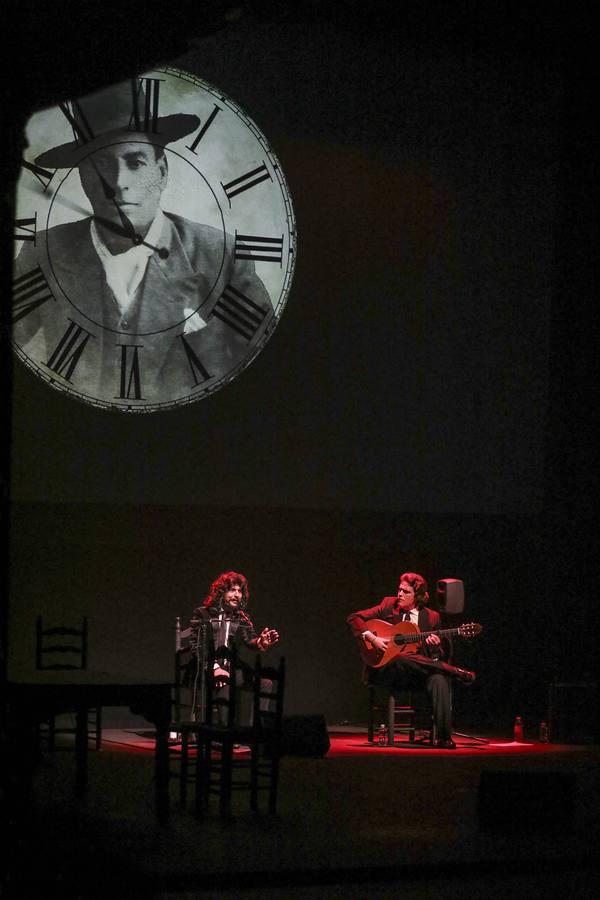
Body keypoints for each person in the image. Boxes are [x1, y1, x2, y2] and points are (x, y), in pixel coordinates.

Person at [12, 78, 272, 403]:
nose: (119, 183)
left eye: (135, 163)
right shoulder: (44, 253)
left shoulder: (220, 255)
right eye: (102, 164)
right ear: (83, 176)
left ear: (162, 173)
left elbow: (269, 373)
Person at [347, 572, 475, 749]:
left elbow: (435, 657)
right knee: (399, 656)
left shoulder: (432, 617)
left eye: (405, 592)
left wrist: (435, 647)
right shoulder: (388, 605)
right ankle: (455, 671)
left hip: (416, 673)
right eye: (399, 589)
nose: (399, 594)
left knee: (439, 678)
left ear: (418, 596)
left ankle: (444, 737)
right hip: (388, 670)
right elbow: (354, 618)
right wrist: (372, 638)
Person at [188, 571, 280, 726]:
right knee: (224, 680)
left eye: (240, 591)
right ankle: (226, 734)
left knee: (266, 684)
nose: (237, 595)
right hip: (204, 668)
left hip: (231, 670)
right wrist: (214, 668)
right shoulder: (202, 613)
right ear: (221, 592)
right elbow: (196, 646)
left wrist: (261, 642)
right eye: (232, 590)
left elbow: (250, 639)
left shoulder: (241, 617)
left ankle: (255, 731)